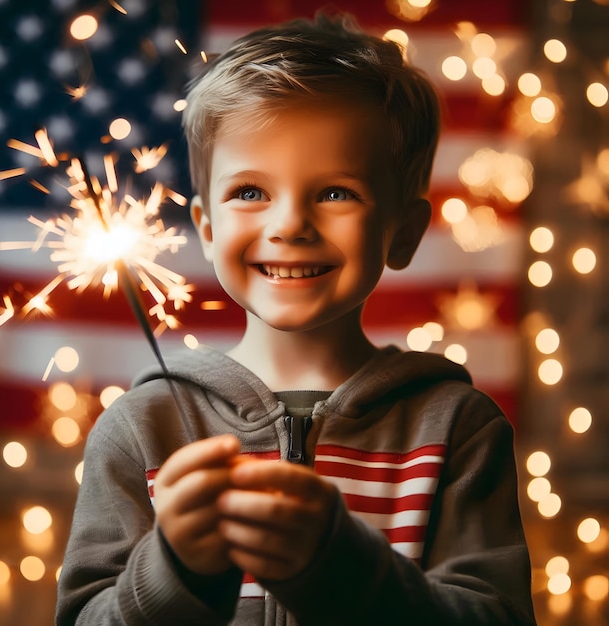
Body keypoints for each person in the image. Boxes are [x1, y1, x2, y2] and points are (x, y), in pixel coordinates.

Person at [56, 12, 536, 626]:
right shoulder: (142, 427)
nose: (288, 225)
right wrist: (176, 570)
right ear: (206, 228)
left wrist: (340, 567)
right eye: (250, 192)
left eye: (336, 192)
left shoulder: (455, 430)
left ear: (404, 233)